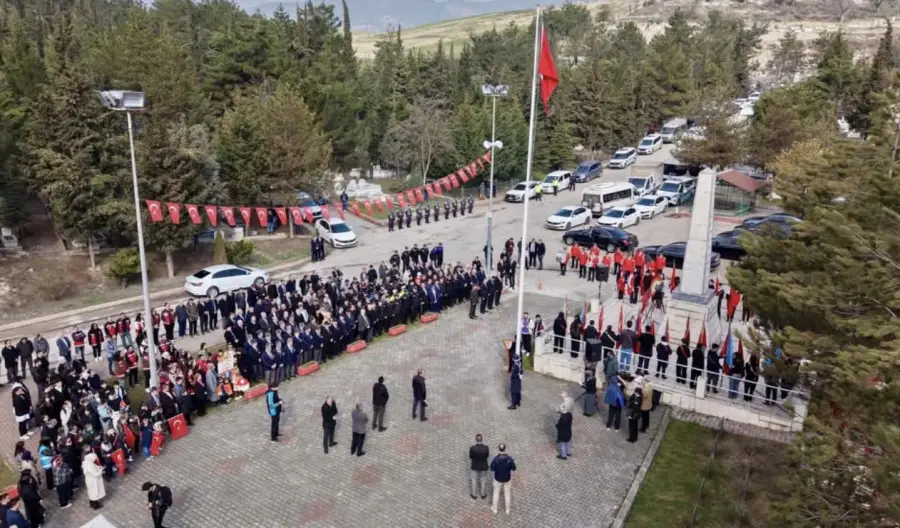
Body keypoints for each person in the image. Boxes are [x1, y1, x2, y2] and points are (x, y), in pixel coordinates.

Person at [490, 444, 516, 515]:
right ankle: (507, 509)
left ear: (499, 449)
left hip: (497, 479)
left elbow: (492, 469)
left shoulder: (495, 459)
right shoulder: (509, 459)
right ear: (505, 449)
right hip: (507, 478)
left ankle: (495, 509)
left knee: (496, 493)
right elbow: (514, 468)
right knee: (507, 494)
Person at [468, 434, 489, 500]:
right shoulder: (486, 448)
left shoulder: (472, 448)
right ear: (482, 439)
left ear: (476, 440)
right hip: (483, 466)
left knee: (474, 480)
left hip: (475, 466)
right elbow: (487, 456)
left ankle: (474, 495)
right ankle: (483, 494)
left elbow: (470, 456)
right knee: (483, 480)